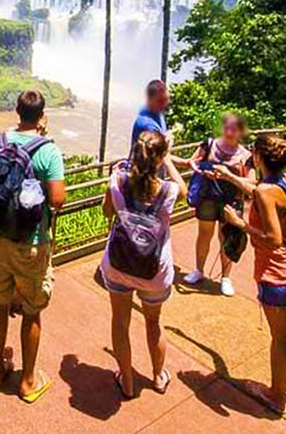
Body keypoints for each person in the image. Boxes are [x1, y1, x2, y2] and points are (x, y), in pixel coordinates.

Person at [222, 134, 286, 415]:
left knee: (280, 338)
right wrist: (230, 177)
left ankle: (276, 396)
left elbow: (273, 238)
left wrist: (239, 223)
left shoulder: (265, 191)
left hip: (277, 274)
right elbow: (258, 189)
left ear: (258, 158)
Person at [0, 89, 66, 404]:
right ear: (41, 115)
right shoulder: (49, 151)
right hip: (31, 243)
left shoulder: (0, 141)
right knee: (32, 312)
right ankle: (28, 381)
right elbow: (58, 199)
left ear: (17, 111)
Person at [100, 130, 188, 398]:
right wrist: (169, 160)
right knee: (154, 323)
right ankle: (158, 377)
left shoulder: (117, 181)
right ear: (160, 158)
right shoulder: (169, 191)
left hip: (118, 265)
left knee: (120, 322)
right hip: (154, 272)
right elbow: (185, 189)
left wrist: (114, 177)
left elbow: (107, 212)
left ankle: (126, 381)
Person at [182, 113, 252, 296]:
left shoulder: (246, 155)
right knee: (204, 234)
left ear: (241, 132)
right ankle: (198, 270)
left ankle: (226, 278)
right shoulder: (208, 145)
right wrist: (205, 171)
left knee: (226, 237)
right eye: (227, 128)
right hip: (208, 196)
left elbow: (251, 183)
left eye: (234, 129)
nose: (229, 132)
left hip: (231, 201)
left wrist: (229, 176)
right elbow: (192, 163)